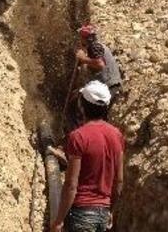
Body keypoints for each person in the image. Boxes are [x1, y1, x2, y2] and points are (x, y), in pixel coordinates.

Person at [51, 81, 124, 232]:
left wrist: (59, 221)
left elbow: (71, 185)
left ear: (82, 106)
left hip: (82, 213)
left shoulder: (78, 136)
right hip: (103, 213)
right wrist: (110, 211)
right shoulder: (117, 135)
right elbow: (119, 181)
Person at [75, 25, 122, 98]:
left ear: (85, 39)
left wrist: (83, 58)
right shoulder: (98, 47)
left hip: (109, 86)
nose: (80, 40)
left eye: (81, 38)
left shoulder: (95, 47)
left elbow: (100, 65)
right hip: (112, 85)